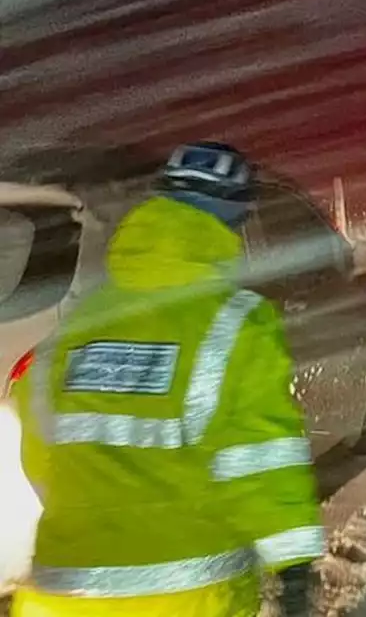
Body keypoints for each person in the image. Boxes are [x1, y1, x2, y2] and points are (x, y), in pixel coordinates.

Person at [10, 142, 323, 617]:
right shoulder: (236, 322)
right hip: (187, 593)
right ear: (233, 222)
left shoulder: (82, 322)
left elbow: (39, 450)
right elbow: (262, 458)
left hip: (65, 592)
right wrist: (295, 566)